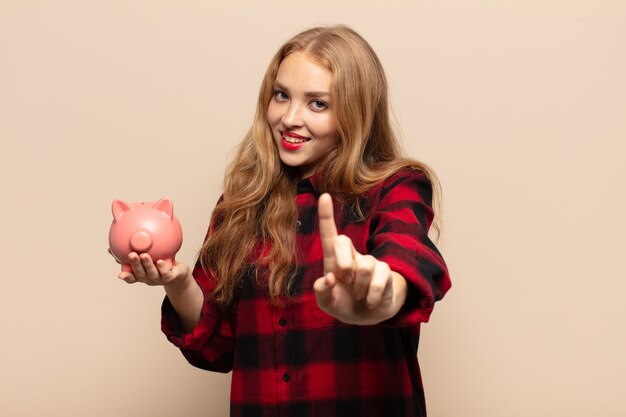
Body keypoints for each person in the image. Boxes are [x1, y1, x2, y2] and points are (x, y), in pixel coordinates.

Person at [116, 25, 451, 417]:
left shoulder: (397, 186)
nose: (289, 119)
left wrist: (379, 295)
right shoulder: (240, 205)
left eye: (318, 104)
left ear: (356, 111)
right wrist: (178, 282)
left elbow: (407, 260)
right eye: (281, 95)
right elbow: (217, 348)